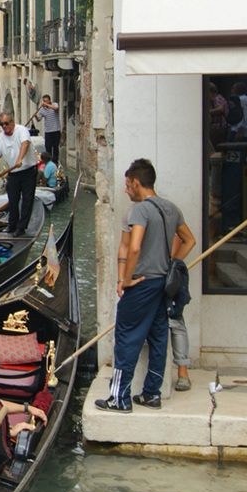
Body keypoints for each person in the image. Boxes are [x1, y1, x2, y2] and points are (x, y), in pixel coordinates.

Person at [96, 158, 196, 413]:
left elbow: (135, 246)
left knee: (126, 337)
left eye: (128, 185)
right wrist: (172, 263)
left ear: (137, 183)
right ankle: (152, 393)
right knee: (158, 335)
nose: (125, 190)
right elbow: (189, 240)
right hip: (163, 284)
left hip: (141, 285)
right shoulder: (171, 208)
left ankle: (119, 398)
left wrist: (126, 279)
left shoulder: (140, 210)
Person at [0, 112, 38, 237]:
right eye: (2, 124)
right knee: (12, 200)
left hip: (28, 171)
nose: (4, 126)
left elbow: (25, 144)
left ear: (12, 122)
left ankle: (21, 228)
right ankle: (12, 225)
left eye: (6, 123)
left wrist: (20, 159)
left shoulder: (22, 130)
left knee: (27, 200)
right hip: (12, 173)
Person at [32, 94, 61, 162]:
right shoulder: (42, 110)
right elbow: (39, 119)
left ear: (49, 101)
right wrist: (36, 116)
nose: (44, 102)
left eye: (46, 101)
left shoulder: (54, 104)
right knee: (48, 148)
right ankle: (49, 161)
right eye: (44, 101)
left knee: (55, 147)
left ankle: (55, 162)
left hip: (56, 131)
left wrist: (46, 105)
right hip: (48, 132)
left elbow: (56, 108)